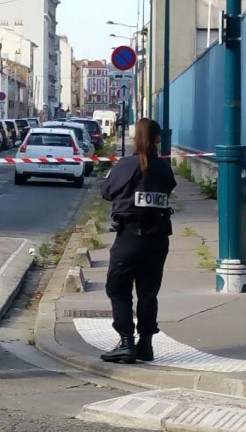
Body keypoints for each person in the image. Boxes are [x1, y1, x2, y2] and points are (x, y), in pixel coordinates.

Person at [99, 118, 177, 364]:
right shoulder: (164, 168)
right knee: (148, 292)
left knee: (118, 288)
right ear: (157, 139)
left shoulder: (125, 165)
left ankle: (126, 343)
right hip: (158, 238)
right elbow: (168, 188)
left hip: (130, 237)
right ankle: (145, 345)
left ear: (136, 139)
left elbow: (106, 191)